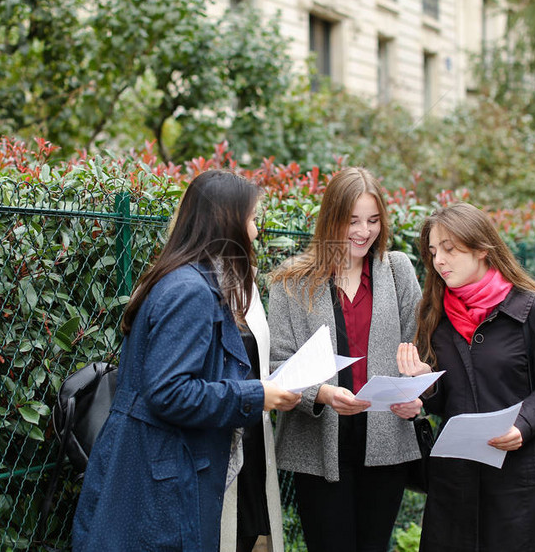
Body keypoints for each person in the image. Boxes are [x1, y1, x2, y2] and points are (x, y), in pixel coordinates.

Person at [72, 170, 301, 551]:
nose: (256, 231)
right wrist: (254, 395)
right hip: (161, 481)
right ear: (226, 221)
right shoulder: (190, 290)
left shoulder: (185, 279)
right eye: (251, 218)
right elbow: (169, 392)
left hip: (155, 471)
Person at [397, 201, 535, 552]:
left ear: (482, 249)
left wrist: (521, 425)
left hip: (517, 482)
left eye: (449, 249)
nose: (439, 261)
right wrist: (424, 385)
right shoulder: (435, 315)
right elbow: (445, 399)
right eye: (433, 252)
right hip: (453, 485)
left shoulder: (534, 313)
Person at [267, 166, 423, 552]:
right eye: (352, 220)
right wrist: (321, 394)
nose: (363, 231)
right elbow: (276, 366)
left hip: (386, 444)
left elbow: (420, 349)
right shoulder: (291, 281)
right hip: (318, 448)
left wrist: (418, 393)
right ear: (331, 218)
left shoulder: (399, 270)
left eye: (373, 220)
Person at [219, 275, 286, 551]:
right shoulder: (186, 284)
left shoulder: (248, 283)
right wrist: (256, 395)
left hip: (253, 449)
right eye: (250, 227)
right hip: (216, 451)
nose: (257, 231)